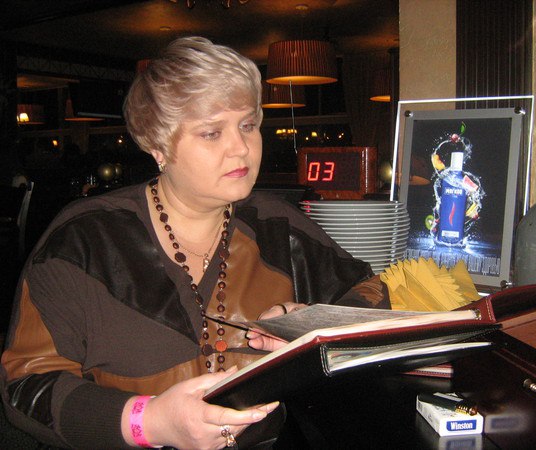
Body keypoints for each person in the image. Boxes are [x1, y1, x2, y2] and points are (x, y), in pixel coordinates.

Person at [0, 36, 390, 449]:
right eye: (211, 132)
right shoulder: (84, 240)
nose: (241, 148)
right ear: (158, 146)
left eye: (248, 125)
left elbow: (375, 294)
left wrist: (312, 326)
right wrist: (149, 421)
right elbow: (26, 384)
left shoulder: (277, 226)